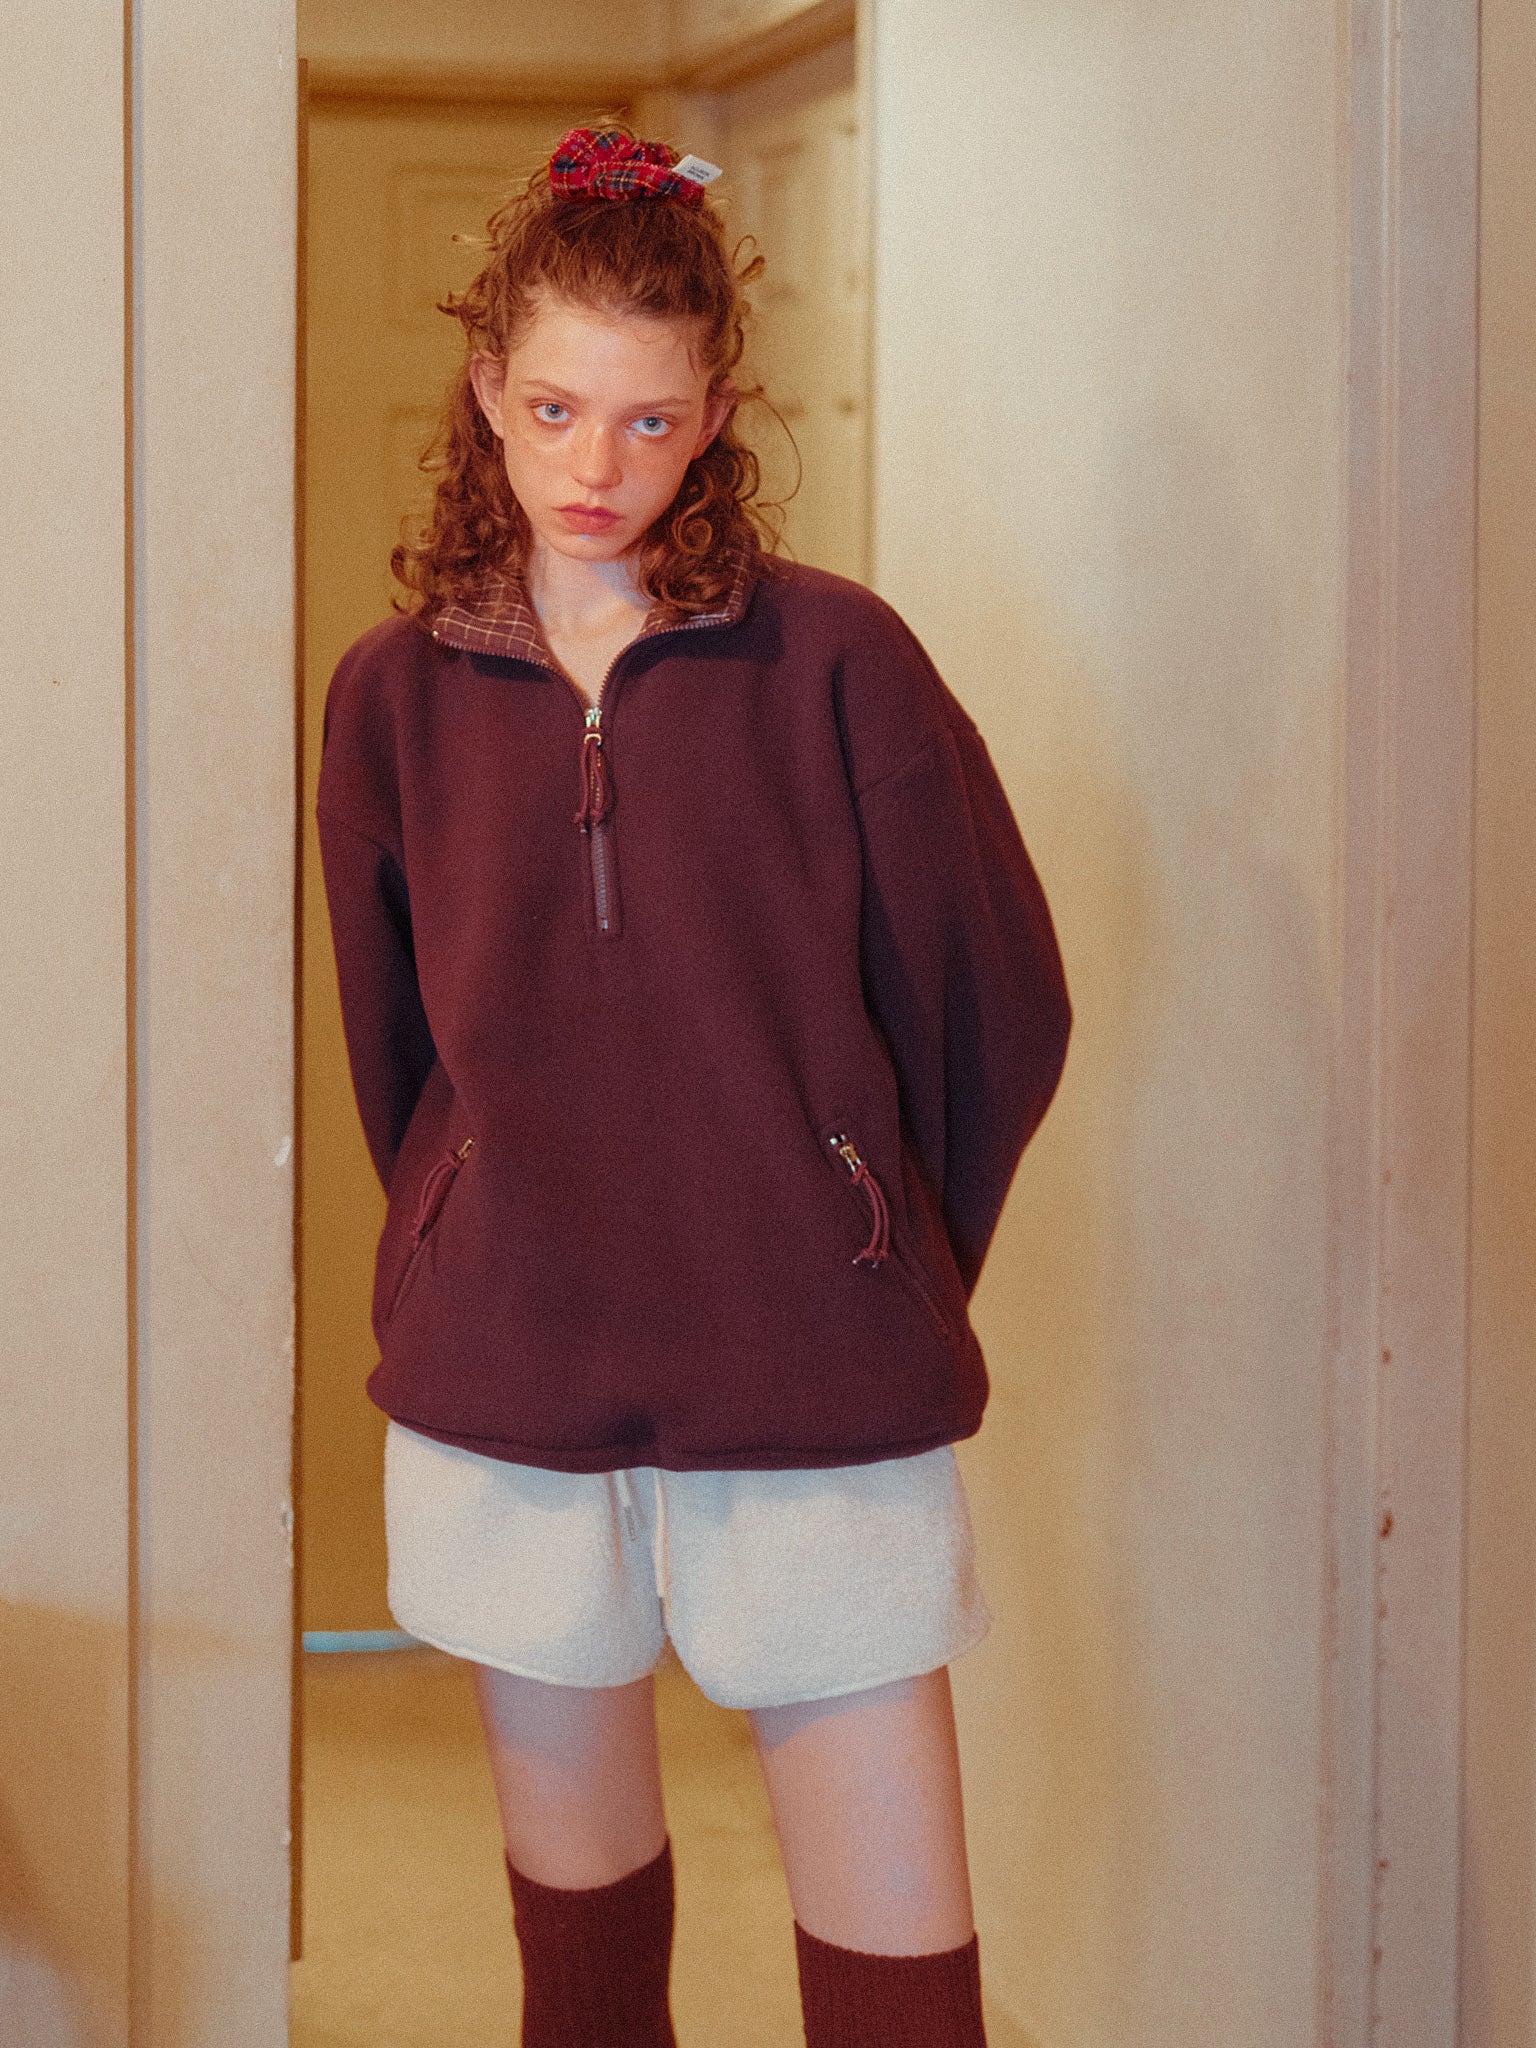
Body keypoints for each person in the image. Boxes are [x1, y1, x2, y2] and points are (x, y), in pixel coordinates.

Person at [316, 124, 1070, 2048]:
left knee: (901, 1985)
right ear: (486, 388)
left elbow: (993, 1005)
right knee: (581, 1979)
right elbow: (399, 1051)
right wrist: (455, 1234)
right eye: (555, 410)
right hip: (508, 1387)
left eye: (650, 422)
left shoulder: (840, 664)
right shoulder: (393, 694)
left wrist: (862, 1234)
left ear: (718, 415)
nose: (596, 466)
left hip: (816, 1386)